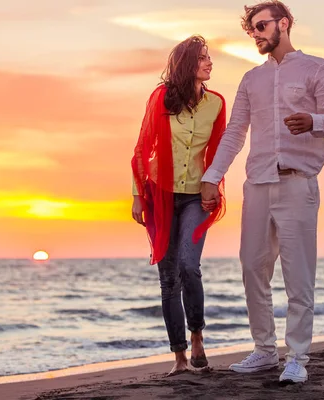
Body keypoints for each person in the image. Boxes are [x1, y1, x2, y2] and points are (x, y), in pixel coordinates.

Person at [200, 1, 324, 384]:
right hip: (258, 185)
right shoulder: (251, 79)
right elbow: (235, 133)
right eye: (252, 30)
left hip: (298, 183)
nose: (257, 34)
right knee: (252, 267)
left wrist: (313, 121)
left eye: (262, 26)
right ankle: (265, 350)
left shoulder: (317, 68)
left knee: (298, 275)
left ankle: (297, 356)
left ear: (284, 23)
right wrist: (213, 176)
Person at [131, 35, 227, 376]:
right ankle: (179, 357)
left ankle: (197, 333)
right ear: (188, 64)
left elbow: (219, 151)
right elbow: (142, 147)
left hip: (196, 196)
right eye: (203, 58)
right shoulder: (160, 98)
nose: (210, 62)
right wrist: (137, 194)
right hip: (161, 195)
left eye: (209, 57)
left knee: (189, 265)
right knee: (168, 279)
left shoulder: (216, 103)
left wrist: (212, 183)